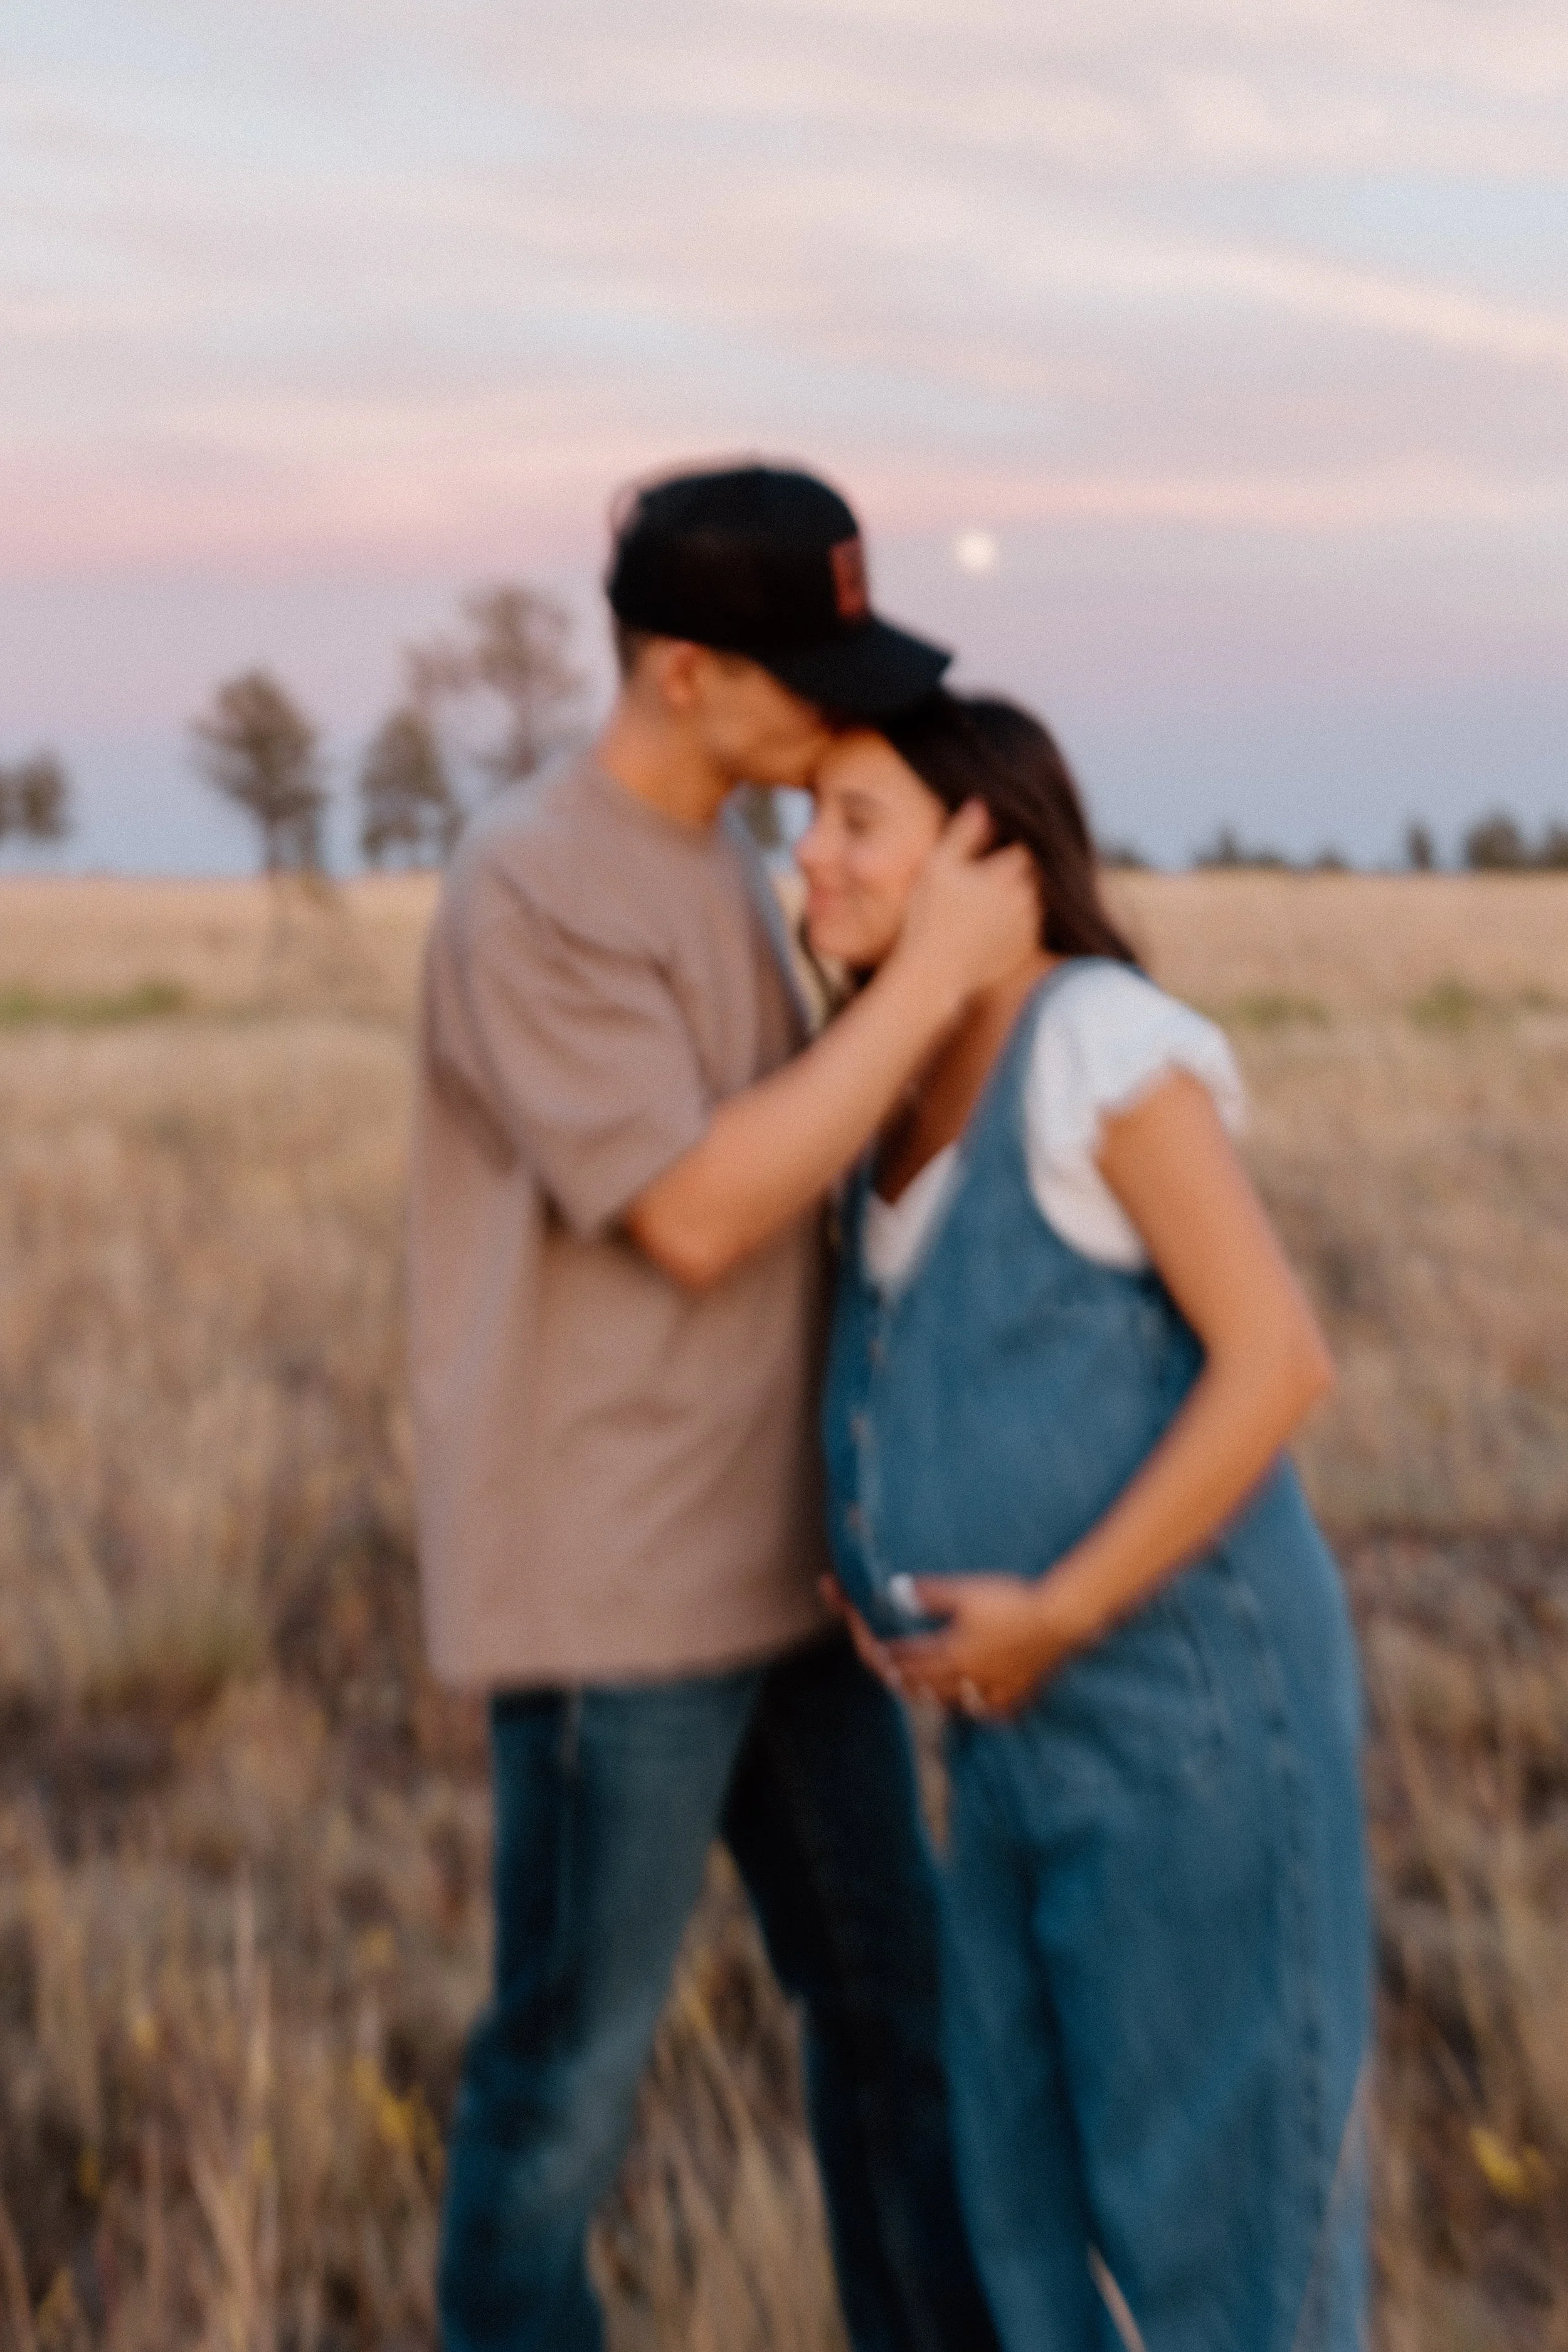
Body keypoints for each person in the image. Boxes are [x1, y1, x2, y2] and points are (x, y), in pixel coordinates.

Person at [409, 465, 1037, 2351]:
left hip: (785, 1577)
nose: (839, 710)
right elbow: (690, 1213)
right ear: (683, 670)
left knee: (898, 2016)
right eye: (803, 672)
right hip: (619, 1603)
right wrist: (928, 981)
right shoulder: (534, 879)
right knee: (567, 2082)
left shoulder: (726, 863)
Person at [802, 691, 1371, 2352]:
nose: (810, 857)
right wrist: (871, 1556)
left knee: (1221, 2231)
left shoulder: (1094, 1043)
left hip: (1188, 1724)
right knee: (1032, 2216)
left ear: (983, 847)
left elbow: (1276, 1359)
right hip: (1006, 1742)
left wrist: (1057, 1612)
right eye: (806, 819)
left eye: (855, 820)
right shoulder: (893, 1075)